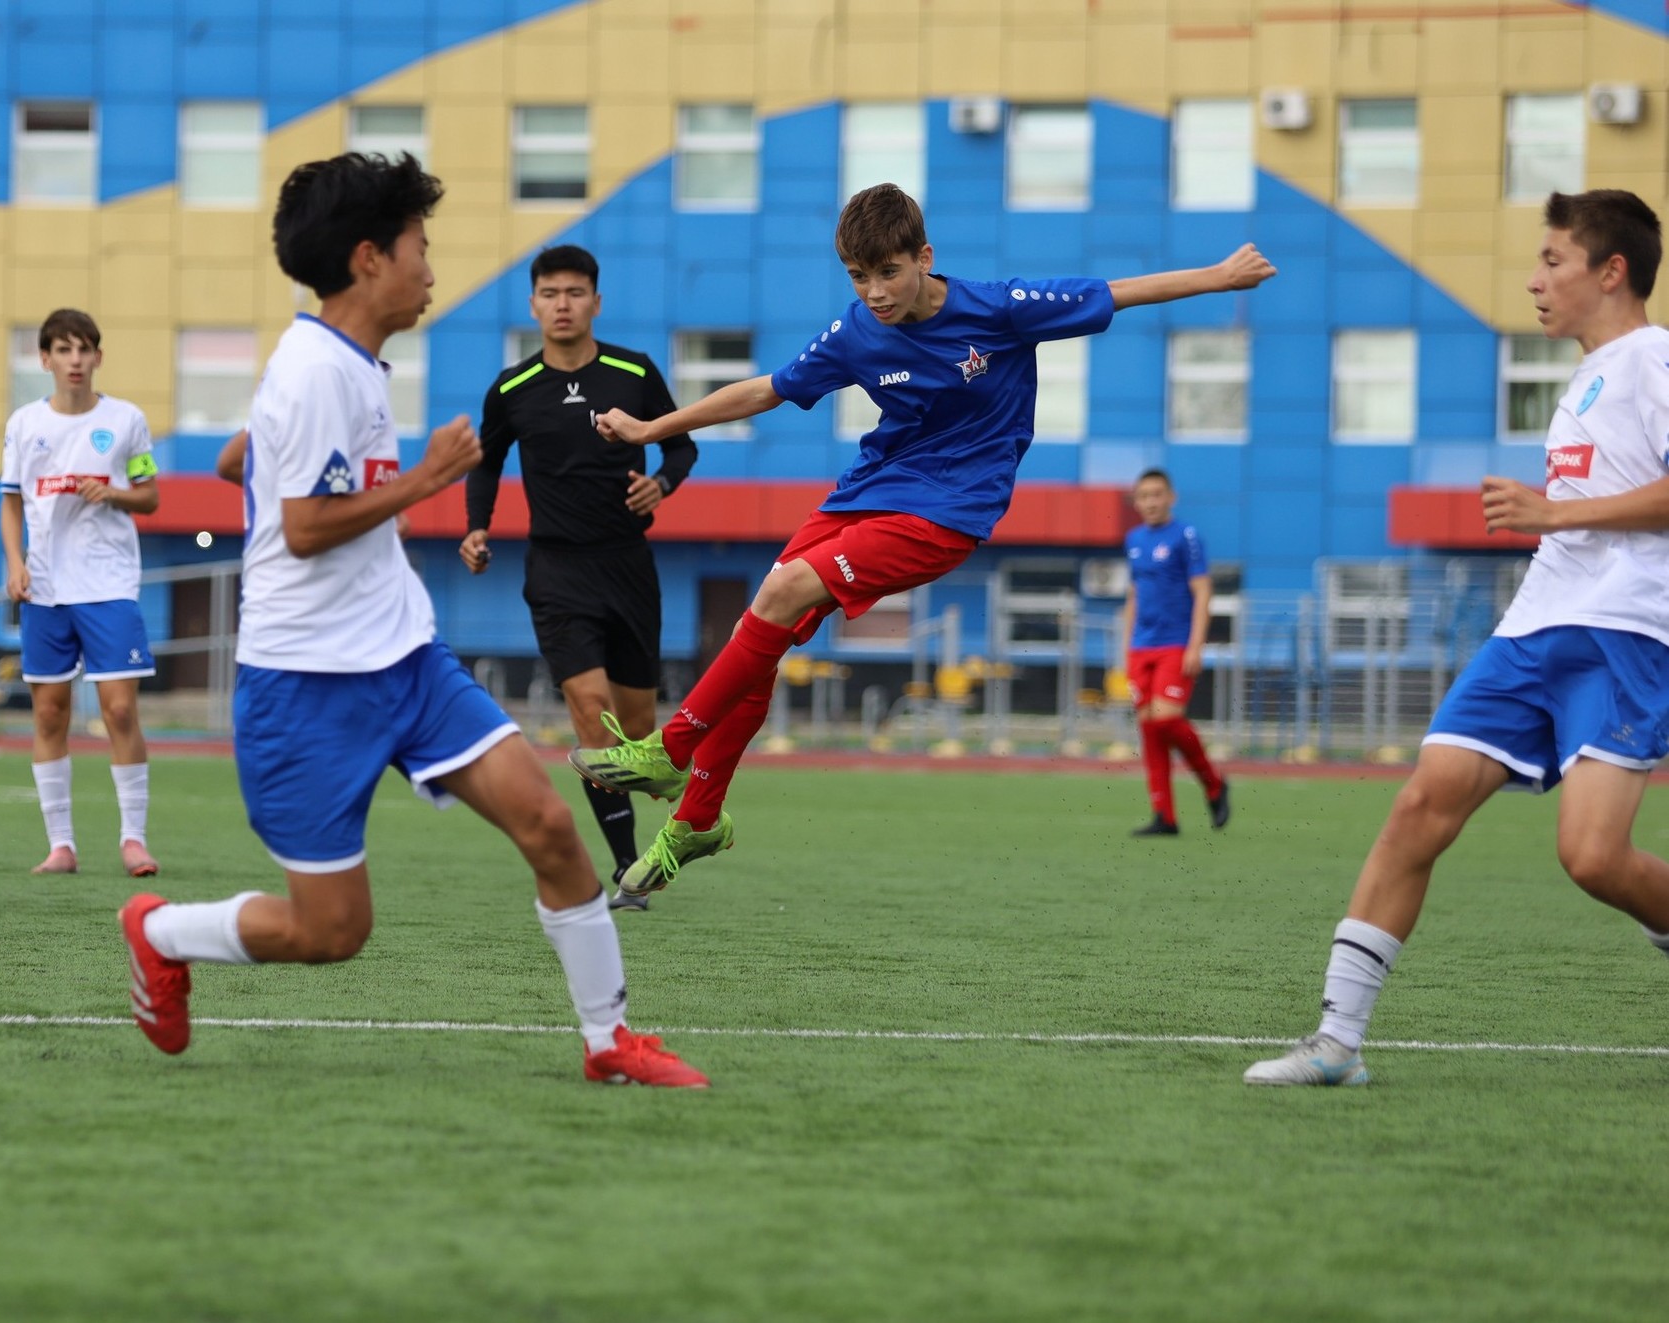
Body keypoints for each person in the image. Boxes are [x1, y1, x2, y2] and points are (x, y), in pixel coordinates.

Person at [119, 152, 707, 1087]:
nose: (431, 271)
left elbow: (246, 460)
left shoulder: (348, 364)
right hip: (305, 686)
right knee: (332, 931)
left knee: (549, 824)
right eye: (419, 249)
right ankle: (162, 932)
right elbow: (305, 528)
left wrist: (279, 465)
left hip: (407, 661)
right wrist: (426, 480)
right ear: (369, 259)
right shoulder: (315, 371)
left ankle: (610, 1041)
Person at [575, 183, 1275, 903]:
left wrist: (1220, 276)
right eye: (859, 276)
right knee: (760, 631)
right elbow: (766, 389)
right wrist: (652, 429)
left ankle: (671, 750)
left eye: (888, 272)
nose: (874, 292)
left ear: (924, 258)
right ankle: (697, 820)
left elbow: (1115, 292)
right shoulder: (856, 332)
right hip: (867, 492)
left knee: (780, 593)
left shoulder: (999, 309)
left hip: (946, 513)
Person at [1246, 189, 1669, 1087]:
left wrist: (1553, 512)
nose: (1534, 281)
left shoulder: (1654, 359)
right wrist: (1553, 523)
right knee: (1419, 806)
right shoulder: (1586, 378)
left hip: (1625, 633)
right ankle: (1336, 1042)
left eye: (1552, 261)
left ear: (1611, 270)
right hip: (1532, 628)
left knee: (1593, 857)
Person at [461, 244, 697, 908]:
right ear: (533, 304)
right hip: (556, 568)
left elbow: (681, 444)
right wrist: (477, 527)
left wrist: (661, 484)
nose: (561, 304)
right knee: (590, 714)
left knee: (637, 726)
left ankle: (668, 820)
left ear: (596, 301)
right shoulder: (512, 388)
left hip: (627, 565)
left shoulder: (634, 370)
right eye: (549, 293)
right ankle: (627, 868)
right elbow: (486, 462)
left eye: (574, 292)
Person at [0, 309, 162, 878]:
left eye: (84, 349)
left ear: (98, 357)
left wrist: (112, 491)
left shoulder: (126, 420)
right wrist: (15, 564)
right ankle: (61, 846)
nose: (75, 360)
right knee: (49, 714)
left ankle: (134, 840)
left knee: (119, 709)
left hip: (109, 584)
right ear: (45, 359)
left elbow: (150, 496)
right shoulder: (24, 423)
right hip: (44, 588)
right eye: (63, 350)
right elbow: (11, 502)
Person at [1120, 468, 1229, 837]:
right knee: (1149, 728)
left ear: (1171, 497)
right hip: (1141, 647)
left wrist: (1195, 646)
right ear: (1136, 503)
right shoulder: (1134, 539)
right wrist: (1126, 650)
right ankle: (1164, 816)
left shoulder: (1186, 536)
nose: (1150, 502)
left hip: (1175, 643)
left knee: (1166, 719)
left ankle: (1213, 783)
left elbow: (1202, 590)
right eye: (1144, 496)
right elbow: (1134, 595)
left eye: (1157, 494)